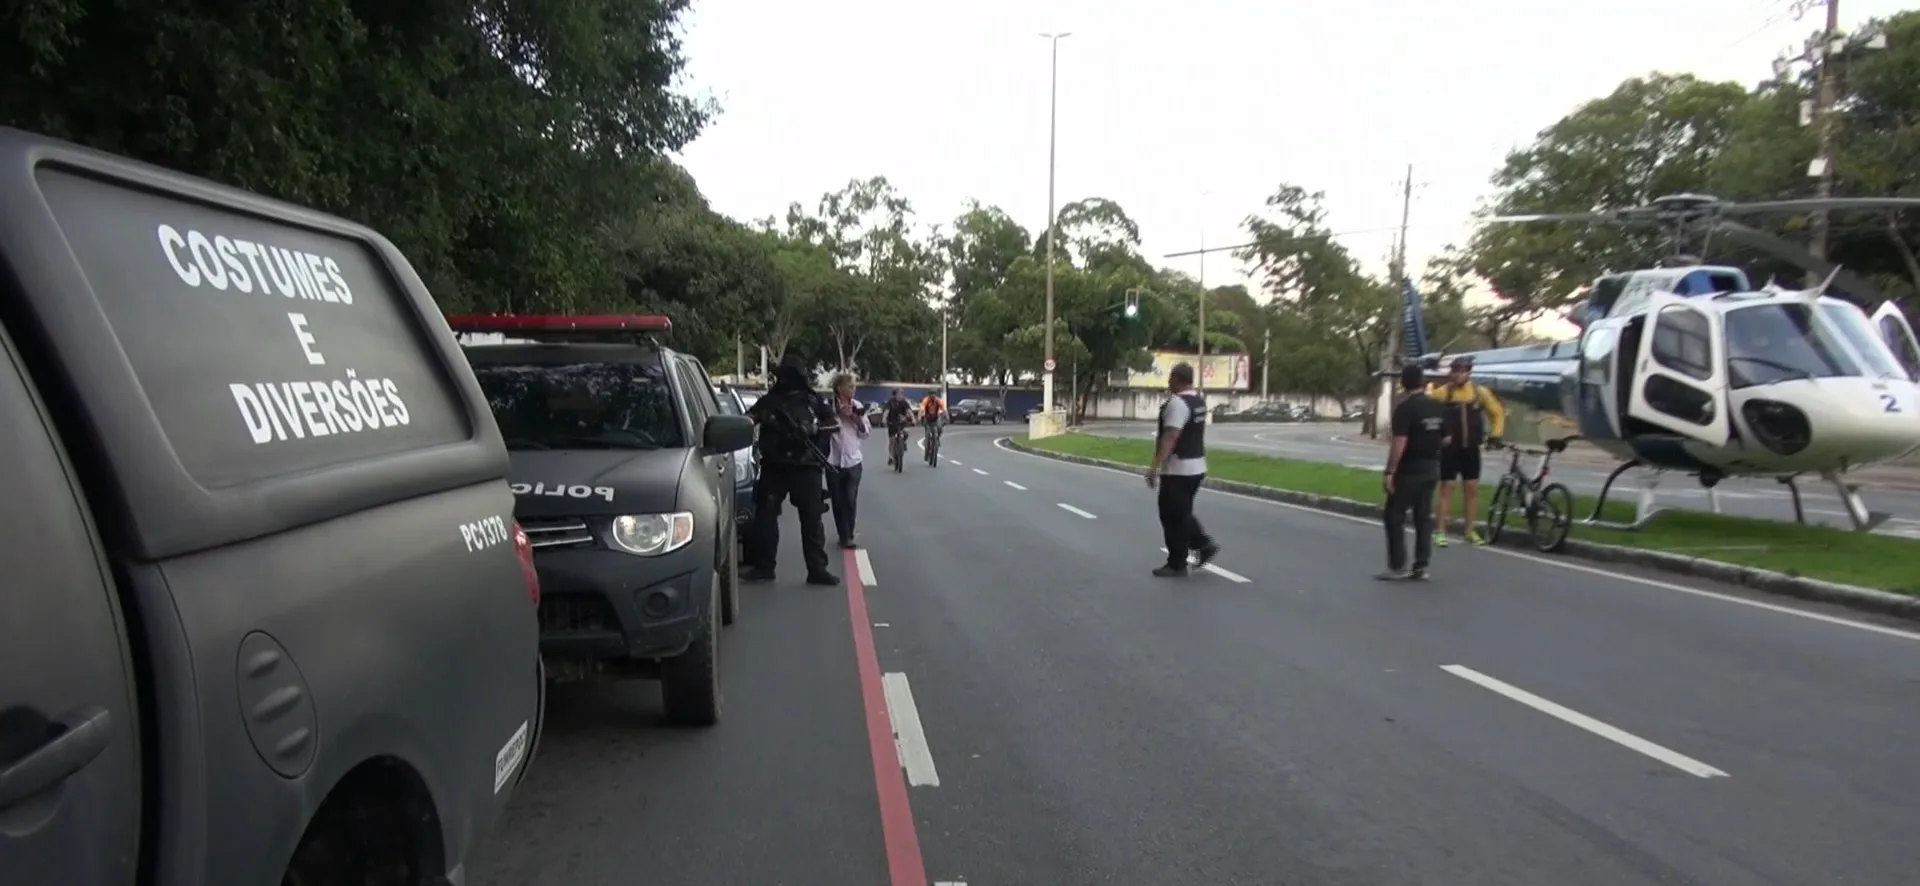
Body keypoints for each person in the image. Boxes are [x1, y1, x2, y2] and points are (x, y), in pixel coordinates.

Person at [744, 355, 839, 586]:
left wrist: (811, 428)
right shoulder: (770, 400)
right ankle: (764, 567)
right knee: (765, 517)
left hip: (806, 466)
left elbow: (833, 423)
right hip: (774, 466)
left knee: (812, 519)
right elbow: (746, 420)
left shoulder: (812, 401)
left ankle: (817, 569)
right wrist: (763, 417)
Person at [1145, 362, 1220, 577]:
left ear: (1176, 379)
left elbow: (1171, 437)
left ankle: (1178, 562)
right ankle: (1201, 545)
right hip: (1196, 465)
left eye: (1170, 378)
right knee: (1181, 512)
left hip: (1178, 468)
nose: (1168, 382)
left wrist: (1154, 467)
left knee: (1171, 516)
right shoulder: (1198, 401)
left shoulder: (1177, 404)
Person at [1428, 356, 1505, 547]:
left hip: (1471, 448)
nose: (1458, 374)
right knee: (1447, 488)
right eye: (1455, 371)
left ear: (1469, 373)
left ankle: (1470, 530)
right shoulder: (1442, 394)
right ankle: (1440, 531)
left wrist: (1496, 434)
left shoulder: (1479, 393)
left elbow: (1497, 413)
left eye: (1463, 371)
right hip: (1449, 449)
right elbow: (1427, 413)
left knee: (1471, 488)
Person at [1381, 363, 1450, 580]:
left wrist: (1390, 471)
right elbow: (1447, 438)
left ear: (1403, 382)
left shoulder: (1405, 408)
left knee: (1394, 514)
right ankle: (1421, 565)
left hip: (1410, 468)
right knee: (1423, 517)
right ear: (1423, 382)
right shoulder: (1438, 406)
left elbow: (1400, 441)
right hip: (1431, 467)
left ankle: (1398, 565)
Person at [825, 373, 868, 549]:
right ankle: (843, 535)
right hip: (833, 460)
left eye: (854, 386)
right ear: (839, 388)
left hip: (853, 461)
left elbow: (865, 433)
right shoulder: (827, 406)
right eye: (850, 386)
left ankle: (849, 532)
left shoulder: (858, 407)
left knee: (850, 499)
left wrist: (853, 417)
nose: (853, 389)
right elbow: (820, 427)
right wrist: (836, 414)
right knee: (837, 500)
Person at [882, 388, 913, 466]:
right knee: (892, 440)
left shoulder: (904, 402)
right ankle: (891, 456)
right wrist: (884, 419)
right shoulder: (890, 402)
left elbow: (909, 410)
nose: (901, 396)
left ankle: (903, 442)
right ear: (895, 395)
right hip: (892, 423)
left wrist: (913, 419)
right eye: (899, 394)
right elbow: (886, 411)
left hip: (901, 423)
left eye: (902, 394)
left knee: (906, 432)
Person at [918, 390, 946, 461]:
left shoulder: (938, 401)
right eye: (931, 394)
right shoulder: (926, 400)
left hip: (935, 418)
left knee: (940, 428)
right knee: (927, 434)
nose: (933, 395)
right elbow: (922, 409)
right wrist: (920, 417)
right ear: (929, 395)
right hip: (927, 419)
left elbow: (944, 409)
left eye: (934, 394)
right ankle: (927, 451)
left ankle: (937, 439)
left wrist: (947, 417)